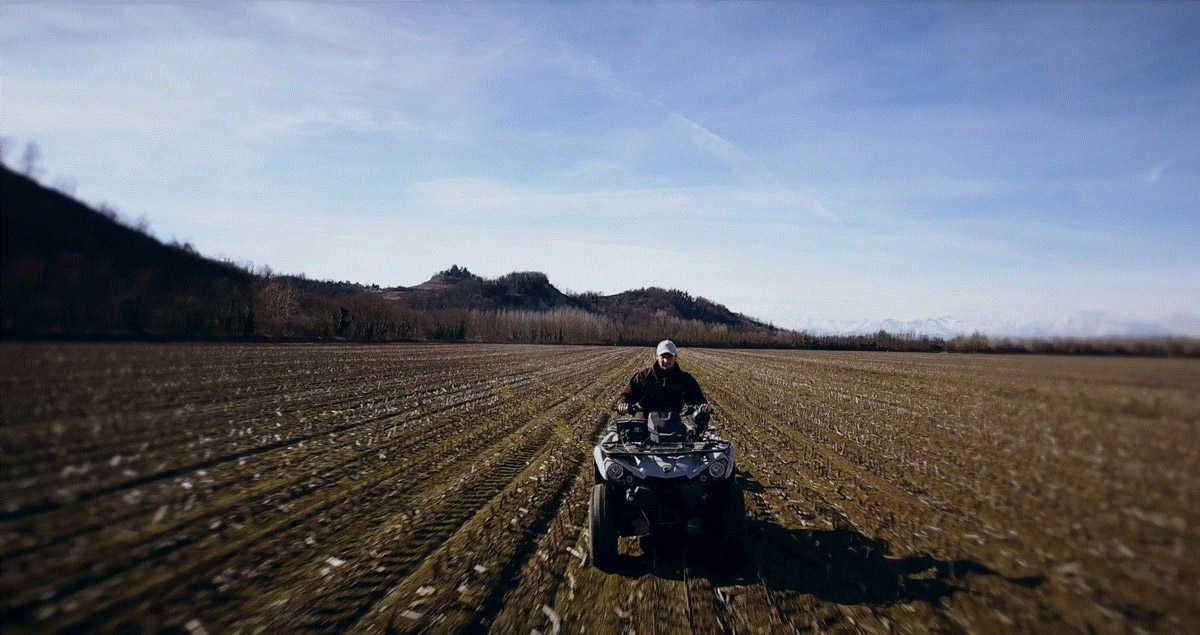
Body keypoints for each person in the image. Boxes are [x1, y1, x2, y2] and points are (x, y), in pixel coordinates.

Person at [617, 340, 712, 416]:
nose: (666, 360)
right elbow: (627, 395)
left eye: (670, 356)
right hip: (646, 424)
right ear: (657, 356)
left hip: (674, 425)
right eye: (663, 356)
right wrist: (623, 404)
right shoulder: (644, 376)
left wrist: (702, 406)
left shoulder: (684, 379)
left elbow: (697, 399)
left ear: (675, 357)